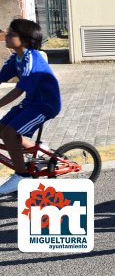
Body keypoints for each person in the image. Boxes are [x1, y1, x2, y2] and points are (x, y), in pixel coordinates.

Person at [0, 19, 61, 195]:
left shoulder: (32, 59)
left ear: (25, 40)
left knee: (9, 134)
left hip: (45, 105)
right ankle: (41, 151)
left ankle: (22, 175)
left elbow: (19, 90)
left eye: (11, 34)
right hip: (31, 103)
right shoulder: (15, 58)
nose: (7, 37)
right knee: (1, 130)